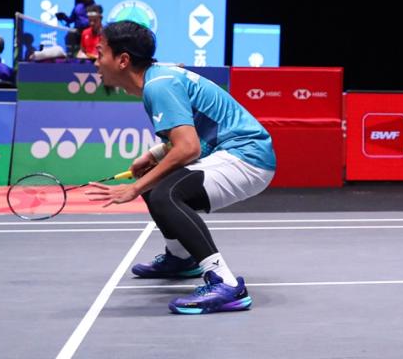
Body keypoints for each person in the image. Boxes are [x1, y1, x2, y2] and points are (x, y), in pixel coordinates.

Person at [86, 20, 276, 314]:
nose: (94, 61)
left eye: (100, 53)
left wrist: (134, 188)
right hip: (232, 151)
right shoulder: (159, 79)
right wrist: (153, 155)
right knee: (152, 180)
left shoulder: (159, 85)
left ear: (123, 60)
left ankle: (224, 282)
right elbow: (196, 134)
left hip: (247, 157)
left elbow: (189, 148)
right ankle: (180, 257)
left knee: (163, 193)